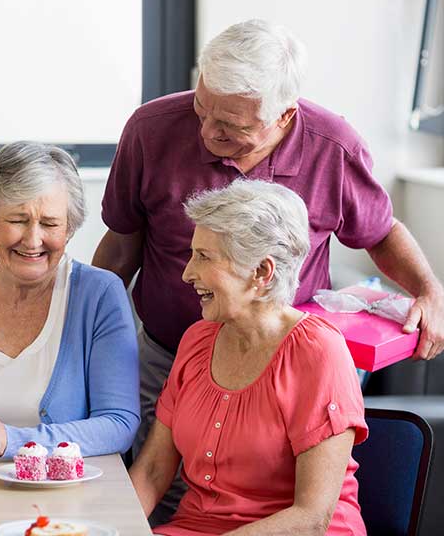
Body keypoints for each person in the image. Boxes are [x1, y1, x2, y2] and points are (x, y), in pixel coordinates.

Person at [93, 18, 444, 522]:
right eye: (201, 108)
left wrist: (430, 291)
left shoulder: (334, 148)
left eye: (232, 125)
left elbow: (380, 231)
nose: (208, 132)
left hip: (290, 368)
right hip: (172, 354)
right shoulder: (151, 130)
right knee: (180, 505)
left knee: (273, 493)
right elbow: (122, 245)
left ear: (284, 115)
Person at [130, 180, 368, 535]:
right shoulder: (196, 340)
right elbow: (152, 471)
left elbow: (312, 517)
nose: (187, 273)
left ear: (261, 272)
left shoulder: (318, 352)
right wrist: (109, 527)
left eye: (204, 257)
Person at [0, 141, 140, 458]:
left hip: (67, 491)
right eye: (17, 220)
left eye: (50, 224)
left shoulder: (100, 295)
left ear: (70, 228)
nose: (33, 240)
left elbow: (118, 424)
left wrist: (10, 439)